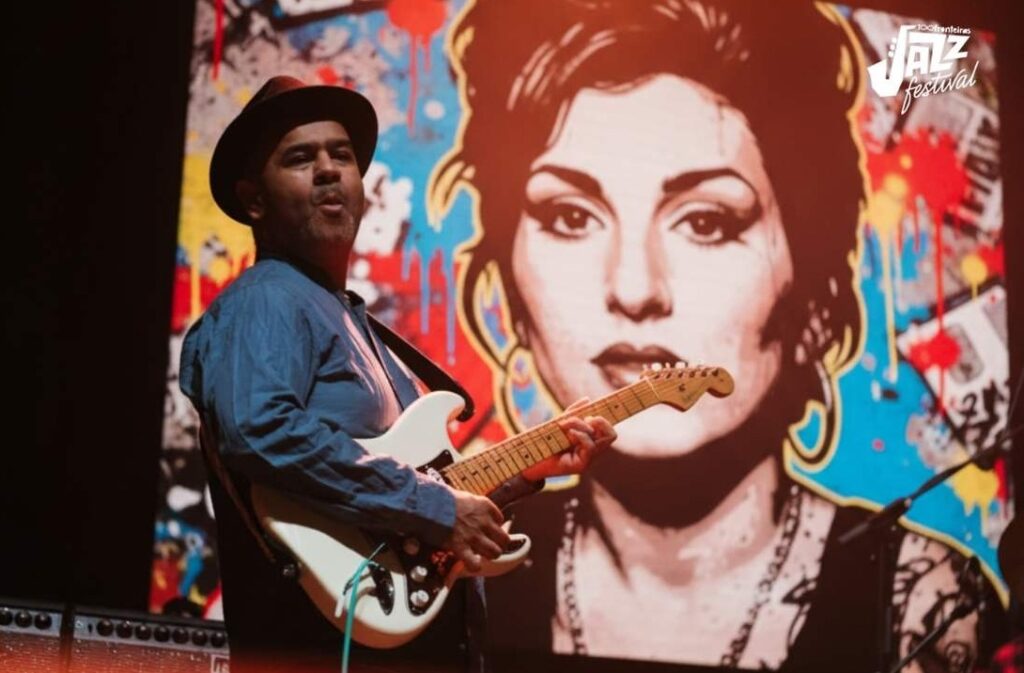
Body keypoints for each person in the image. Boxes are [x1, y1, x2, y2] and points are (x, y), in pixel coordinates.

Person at [429, 0, 1005, 670]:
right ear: (504, 285)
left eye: (706, 222)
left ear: (815, 293)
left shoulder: (920, 602)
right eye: (570, 215)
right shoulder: (456, 564)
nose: (635, 288)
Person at [178, 75, 616, 673]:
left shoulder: (356, 325)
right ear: (254, 201)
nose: (328, 170)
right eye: (300, 159)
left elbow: (403, 488)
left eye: (342, 155)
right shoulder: (268, 298)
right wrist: (435, 506)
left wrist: (523, 472)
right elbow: (261, 428)